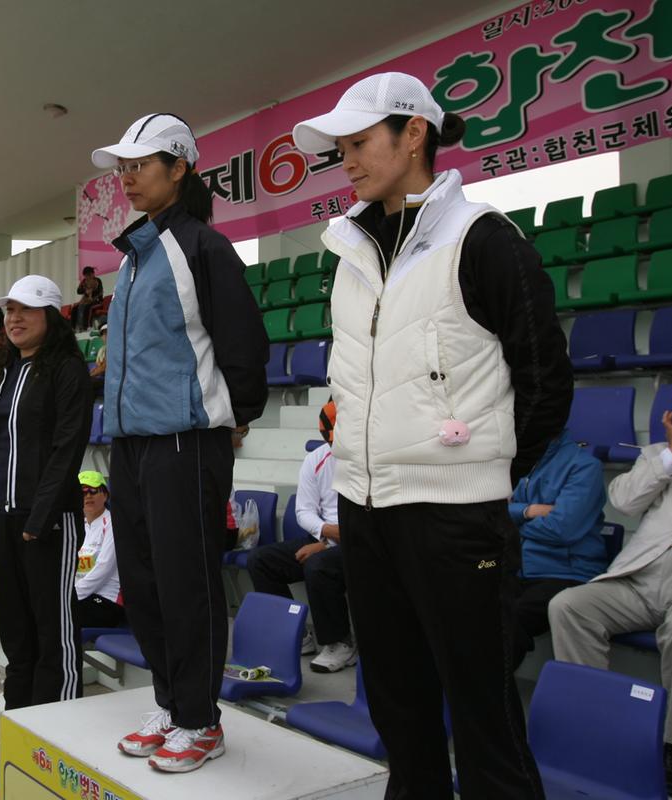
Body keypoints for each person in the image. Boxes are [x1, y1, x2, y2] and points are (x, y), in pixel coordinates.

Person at [291, 72, 572, 797]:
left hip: (454, 517)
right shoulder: (349, 256)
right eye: (341, 148)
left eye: (358, 142)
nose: (346, 160)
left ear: (413, 132)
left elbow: (545, 381)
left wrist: (480, 470)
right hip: (365, 507)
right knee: (398, 705)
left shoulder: (482, 240)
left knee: (482, 712)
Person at [92, 113, 268, 773]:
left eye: (142, 164)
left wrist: (232, 413)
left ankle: (200, 719)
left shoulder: (202, 246)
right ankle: (170, 704)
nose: (128, 177)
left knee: (186, 581)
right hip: (133, 445)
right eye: (123, 167)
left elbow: (244, 342)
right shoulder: (133, 258)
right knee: (143, 580)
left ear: (180, 168)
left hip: (186, 443)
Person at [0, 275, 93, 741]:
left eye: (26, 310)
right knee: (14, 623)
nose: (14, 319)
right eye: (9, 311)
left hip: (49, 521)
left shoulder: (66, 369)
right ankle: (18, 712)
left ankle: (55, 720)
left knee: (52, 622)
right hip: (6, 517)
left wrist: (39, 517)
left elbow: (66, 449)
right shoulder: (6, 371)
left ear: (51, 316)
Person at [549, 387, 672, 794]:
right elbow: (623, 501)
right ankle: (591, 726)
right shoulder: (657, 456)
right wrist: (671, 455)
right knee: (569, 606)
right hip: (640, 579)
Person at [247, 401, 354, 673]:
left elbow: (369, 517)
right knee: (261, 560)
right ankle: (298, 636)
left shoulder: (368, 459)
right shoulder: (316, 459)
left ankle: (340, 643)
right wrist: (324, 536)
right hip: (325, 536)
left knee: (319, 566)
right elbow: (304, 510)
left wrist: (324, 544)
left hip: (361, 544)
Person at [508, 428, 608, 667]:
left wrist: (511, 523)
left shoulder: (584, 466)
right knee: (466, 602)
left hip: (566, 573)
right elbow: (490, 515)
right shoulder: (515, 464)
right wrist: (529, 511)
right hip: (517, 568)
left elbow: (562, 528)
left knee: (511, 620)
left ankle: (492, 698)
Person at [74, 470, 123, 629]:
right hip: (82, 596)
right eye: (83, 492)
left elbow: (104, 568)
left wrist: (72, 594)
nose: (88, 496)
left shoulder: (112, 523)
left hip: (107, 601)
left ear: (105, 495)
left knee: (58, 614)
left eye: (94, 491)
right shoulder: (77, 525)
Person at [71, 266, 104, 332]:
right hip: (87, 301)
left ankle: (87, 326)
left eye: (89, 275)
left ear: (92, 274)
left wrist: (91, 296)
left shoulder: (97, 281)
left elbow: (99, 292)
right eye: (85, 276)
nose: (87, 277)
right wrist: (85, 291)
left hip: (97, 301)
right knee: (75, 308)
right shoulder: (84, 282)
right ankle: (73, 328)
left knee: (88, 307)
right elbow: (78, 291)